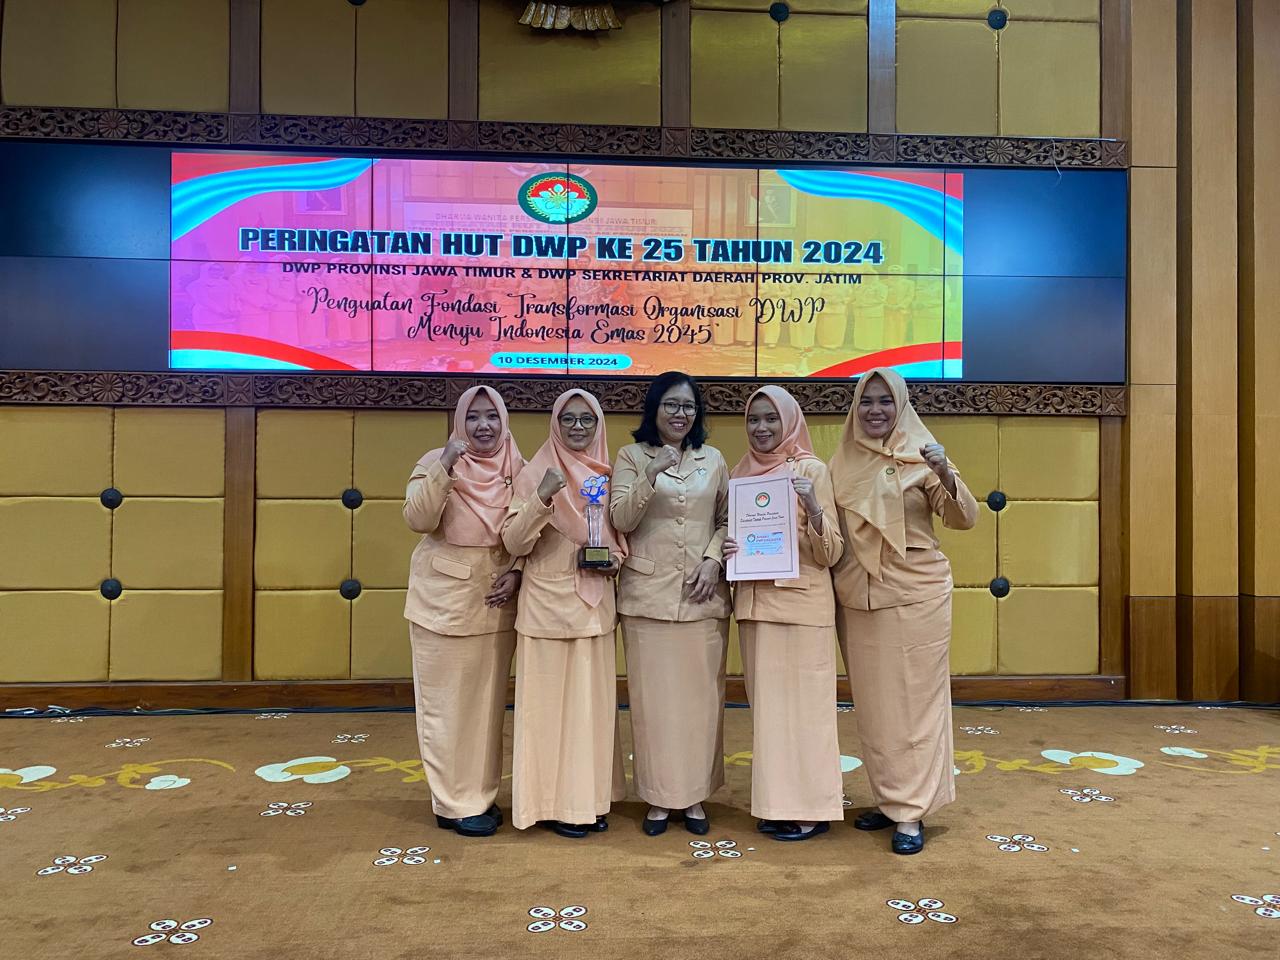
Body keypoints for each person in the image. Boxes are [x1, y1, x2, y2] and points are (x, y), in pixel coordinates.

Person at [828, 367, 977, 855]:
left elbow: (963, 519)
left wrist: (945, 473)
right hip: (859, 597)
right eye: (866, 401)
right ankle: (890, 798)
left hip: (917, 595)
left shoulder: (923, 453)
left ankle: (911, 813)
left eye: (885, 401)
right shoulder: (840, 461)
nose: (875, 410)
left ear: (902, 405)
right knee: (875, 708)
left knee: (915, 704)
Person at [502, 388, 628, 838]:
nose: (578, 427)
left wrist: (614, 561)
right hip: (546, 610)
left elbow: (618, 541)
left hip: (594, 606)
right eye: (569, 419)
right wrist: (542, 497)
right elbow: (514, 541)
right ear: (555, 424)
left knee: (589, 713)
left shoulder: (606, 473)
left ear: (598, 426)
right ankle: (550, 805)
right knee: (547, 715)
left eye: (586, 419)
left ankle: (588, 801)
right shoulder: (534, 472)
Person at [610, 372, 730, 837]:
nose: (681, 414)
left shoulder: (713, 458)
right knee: (653, 706)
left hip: (703, 597)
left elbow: (727, 518)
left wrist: (713, 560)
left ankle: (695, 796)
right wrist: (651, 472)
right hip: (647, 600)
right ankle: (658, 798)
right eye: (672, 405)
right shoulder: (631, 456)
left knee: (701, 704)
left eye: (688, 406)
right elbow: (621, 518)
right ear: (654, 409)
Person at [723, 386, 845, 841]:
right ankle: (777, 805)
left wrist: (812, 506)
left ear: (790, 421)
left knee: (808, 714)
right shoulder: (740, 473)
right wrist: (730, 548)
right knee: (770, 717)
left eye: (771, 418)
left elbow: (831, 553)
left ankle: (812, 809)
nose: (761, 428)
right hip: (756, 609)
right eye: (753, 419)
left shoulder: (811, 470)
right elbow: (732, 535)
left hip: (803, 608)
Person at [403, 386, 525, 838]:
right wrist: (445, 465)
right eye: (472, 417)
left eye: (491, 416)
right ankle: (451, 803)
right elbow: (418, 519)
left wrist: (517, 573)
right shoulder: (434, 461)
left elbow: (529, 532)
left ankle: (480, 795)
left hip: (496, 606)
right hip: (442, 607)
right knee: (445, 708)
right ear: (459, 423)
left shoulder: (519, 466)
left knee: (485, 711)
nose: (483, 426)